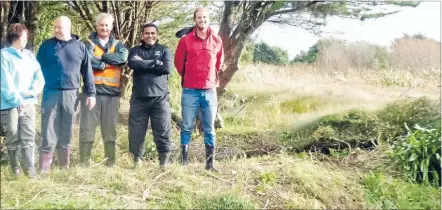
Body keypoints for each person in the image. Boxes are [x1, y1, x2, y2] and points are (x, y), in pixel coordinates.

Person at [36, 16, 96, 173]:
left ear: (68, 28)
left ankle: (64, 167)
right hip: (50, 92)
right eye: (55, 27)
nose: (56, 30)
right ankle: (44, 168)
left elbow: (87, 71)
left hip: (72, 93)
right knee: (48, 126)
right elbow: (36, 69)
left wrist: (91, 93)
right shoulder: (46, 46)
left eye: (60, 27)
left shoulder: (80, 47)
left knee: (67, 127)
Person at [174, 7, 224, 172]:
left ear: (208, 19)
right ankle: (184, 162)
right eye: (199, 18)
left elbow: (218, 64)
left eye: (205, 17)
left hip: (209, 91)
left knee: (209, 127)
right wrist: (190, 77)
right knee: (187, 125)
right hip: (190, 90)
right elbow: (179, 64)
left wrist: (208, 78)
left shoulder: (217, 40)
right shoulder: (185, 40)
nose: (202, 20)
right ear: (194, 20)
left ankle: (210, 164)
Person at [79, 13, 128, 167]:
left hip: (112, 95)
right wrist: (107, 61)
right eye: (101, 25)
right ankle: (84, 162)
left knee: (110, 131)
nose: (104, 28)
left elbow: (122, 59)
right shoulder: (86, 43)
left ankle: (110, 162)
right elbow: (86, 61)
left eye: (107, 25)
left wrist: (100, 58)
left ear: (111, 27)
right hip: (91, 94)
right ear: (96, 25)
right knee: (87, 129)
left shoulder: (119, 45)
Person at [0, 23, 45, 177]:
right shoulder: (3, 55)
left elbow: (39, 78)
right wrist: (17, 99)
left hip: (29, 103)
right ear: (15, 36)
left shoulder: (29, 56)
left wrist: (32, 92)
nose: (26, 39)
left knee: (28, 136)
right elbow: (5, 81)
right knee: (12, 136)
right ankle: (15, 171)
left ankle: (30, 171)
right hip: (9, 103)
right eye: (24, 36)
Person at [127, 23, 172, 168]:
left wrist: (144, 63)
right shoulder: (135, 50)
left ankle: (163, 162)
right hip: (139, 99)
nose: (150, 36)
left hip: (160, 98)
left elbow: (166, 68)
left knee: (162, 131)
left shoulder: (165, 50)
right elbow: (134, 64)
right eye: (147, 33)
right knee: (136, 132)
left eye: (153, 33)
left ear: (157, 35)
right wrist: (154, 62)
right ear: (142, 35)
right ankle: (137, 160)